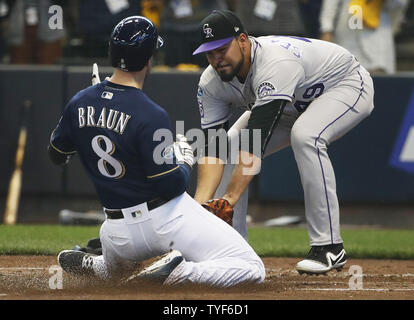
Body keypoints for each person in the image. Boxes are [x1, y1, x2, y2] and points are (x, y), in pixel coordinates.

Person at [48, 15, 265, 287]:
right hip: (164, 226)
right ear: (149, 59)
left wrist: (85, 123)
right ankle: (179, 272)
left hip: (115, 234)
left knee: (119, 251)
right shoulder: (150, 113)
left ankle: (106, 267)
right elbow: (171, 183)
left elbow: (57, 154)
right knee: (253, 268)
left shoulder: (80, 102)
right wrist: (183, 159)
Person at [192, 10, 375, 275]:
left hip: (345, 85)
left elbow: (254, 145)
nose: (216, 59)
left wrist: (229, 199)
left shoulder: (274, 62)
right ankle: (235, 251)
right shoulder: (210, 82)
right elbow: (214, 150)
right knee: (230, 144)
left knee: (306, 135)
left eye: (222, 49)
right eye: (210, 53)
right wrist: (200, 205)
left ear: (242, 40)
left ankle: (329, 246)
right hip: (292, 103)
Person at [319, 0, 409, 74]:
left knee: (380, 77)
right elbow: (330, 4)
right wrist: (327, 29)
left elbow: (400, 5)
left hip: (378, 30)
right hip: (348, 28)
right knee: (346, 74)